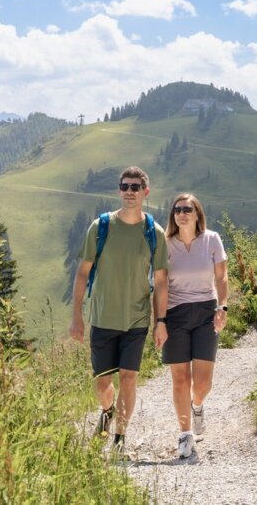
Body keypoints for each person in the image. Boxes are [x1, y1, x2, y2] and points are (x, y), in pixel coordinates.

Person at [69, 166, 169, 456]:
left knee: (128, 377)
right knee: (103, 384)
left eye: (135, 187)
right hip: (102, 318)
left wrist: (160, 321)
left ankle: (119, 439)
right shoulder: (100, 227)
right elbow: (82, 273)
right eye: (125, 187)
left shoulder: (154, 233)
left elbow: (161, 281)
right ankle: (107, 410)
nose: (129, 192)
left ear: (145, 192)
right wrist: (77, 316)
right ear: (119, 190)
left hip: (137, 319)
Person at [161, 193, 229, 459]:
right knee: (180, 378)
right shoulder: (165, 245)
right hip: (175, 314)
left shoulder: (211, 239)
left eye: (188, 209)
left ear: (197, 214)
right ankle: (185, 435)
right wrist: (160, 321)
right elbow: (160, 284)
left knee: (201, 383)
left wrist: (222, 307)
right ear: (173, 215)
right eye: (177, 209)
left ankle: (197, 405)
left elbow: (221, 276)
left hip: (205, 311)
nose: (182, 213)